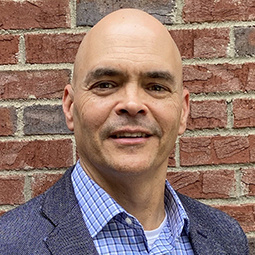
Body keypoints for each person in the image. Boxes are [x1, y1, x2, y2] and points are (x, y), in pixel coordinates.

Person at [0, 8, 248, 255]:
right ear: (70, 107)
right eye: (106, 85)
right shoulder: (9, 244)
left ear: (183, 111)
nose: (132, 104)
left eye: (156, 87)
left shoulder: (226, 238)